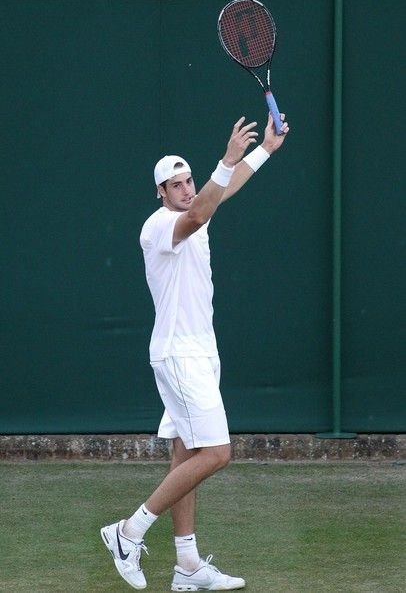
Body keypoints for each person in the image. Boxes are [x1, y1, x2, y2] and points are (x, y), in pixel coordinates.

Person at [101, 112, 289, 591]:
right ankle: (128, 531)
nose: (185, 189)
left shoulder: (197, 210)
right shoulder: (158, 227)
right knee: (218, 452)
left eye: (188, 181)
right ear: (160, 193)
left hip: (200, 354)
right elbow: (203, 209)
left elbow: (218, 195)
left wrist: (264, 149)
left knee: (186, 454)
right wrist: (225, 159)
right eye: (175, 184)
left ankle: (186, 567)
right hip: (179, 356)